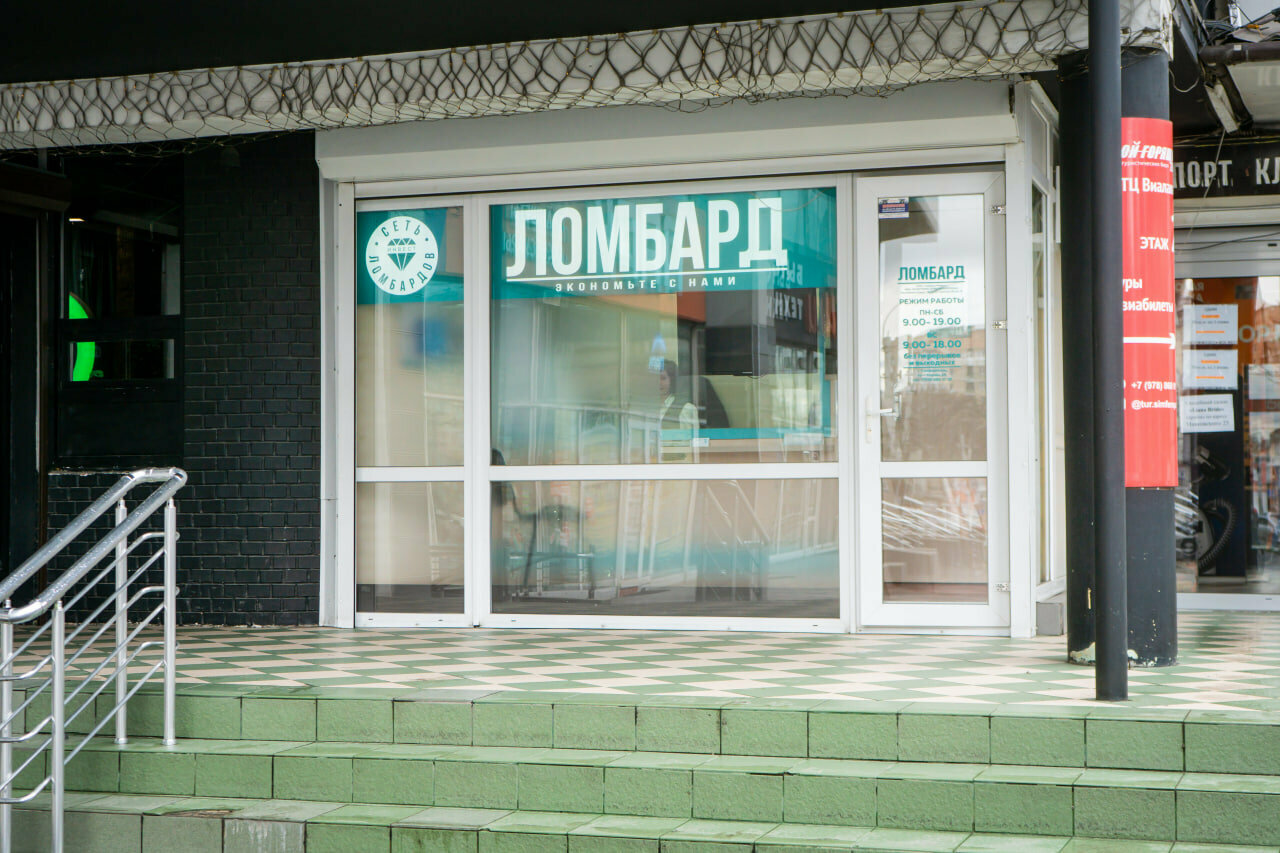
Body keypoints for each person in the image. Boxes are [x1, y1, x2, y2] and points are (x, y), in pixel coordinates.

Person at [657, 360, 698, 461]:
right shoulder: (643, 407)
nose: (658, 383)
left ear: (672, 380)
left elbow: (690, 444)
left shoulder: (686, 408)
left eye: (663, 378)